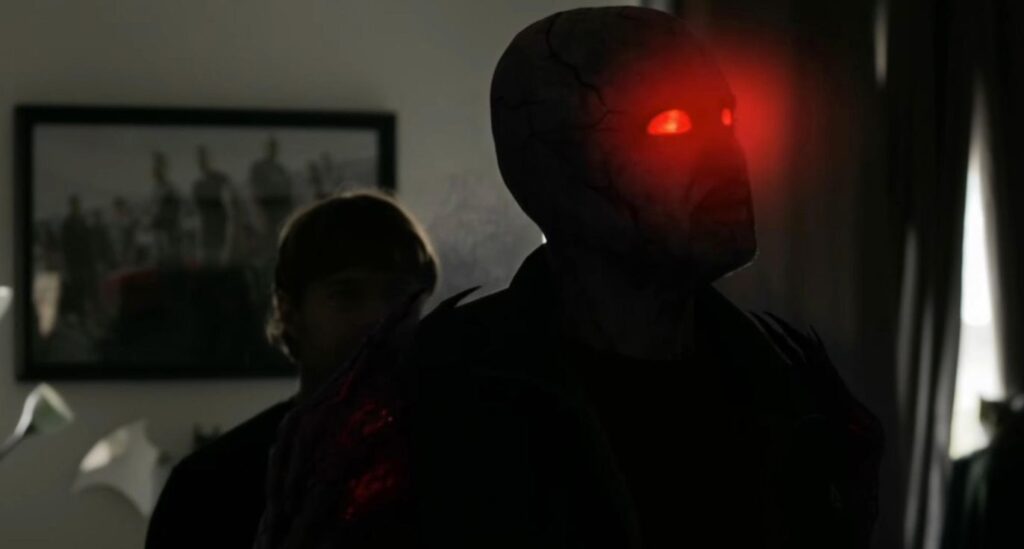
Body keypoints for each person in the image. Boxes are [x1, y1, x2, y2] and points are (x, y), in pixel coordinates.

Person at [257, 7, 883, 549]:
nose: (726, 156)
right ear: (556, 168)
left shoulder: (790, 389)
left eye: (725, 120)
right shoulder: (429, 405)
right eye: (671, 124)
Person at [145, 191, 438, 549]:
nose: (378, 317)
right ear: (289, 312)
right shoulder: (210, 484)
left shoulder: (461, 458)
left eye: (398, 294)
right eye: (346, 295)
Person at [250, 137, 294, 236]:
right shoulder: (259, 167)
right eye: (271, 148)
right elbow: (255, 188)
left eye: (275, 148)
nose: (274, 151)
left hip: (281, 211)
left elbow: (287, 188)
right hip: (266, 210)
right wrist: (258, 211)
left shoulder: (280, 169)